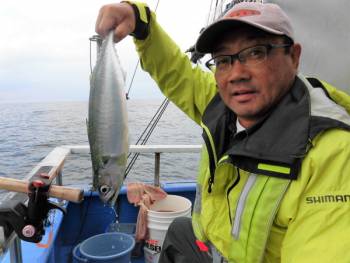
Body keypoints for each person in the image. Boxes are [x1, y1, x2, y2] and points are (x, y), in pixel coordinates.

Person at [95, 1, 350, 262]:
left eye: (256, 53)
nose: (236, 74)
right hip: (214, 248)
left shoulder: (335, 155)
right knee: (180, 230)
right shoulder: (224, 104)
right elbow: (178, 74)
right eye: (223, 60)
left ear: (294, 57)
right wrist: (141, 23)